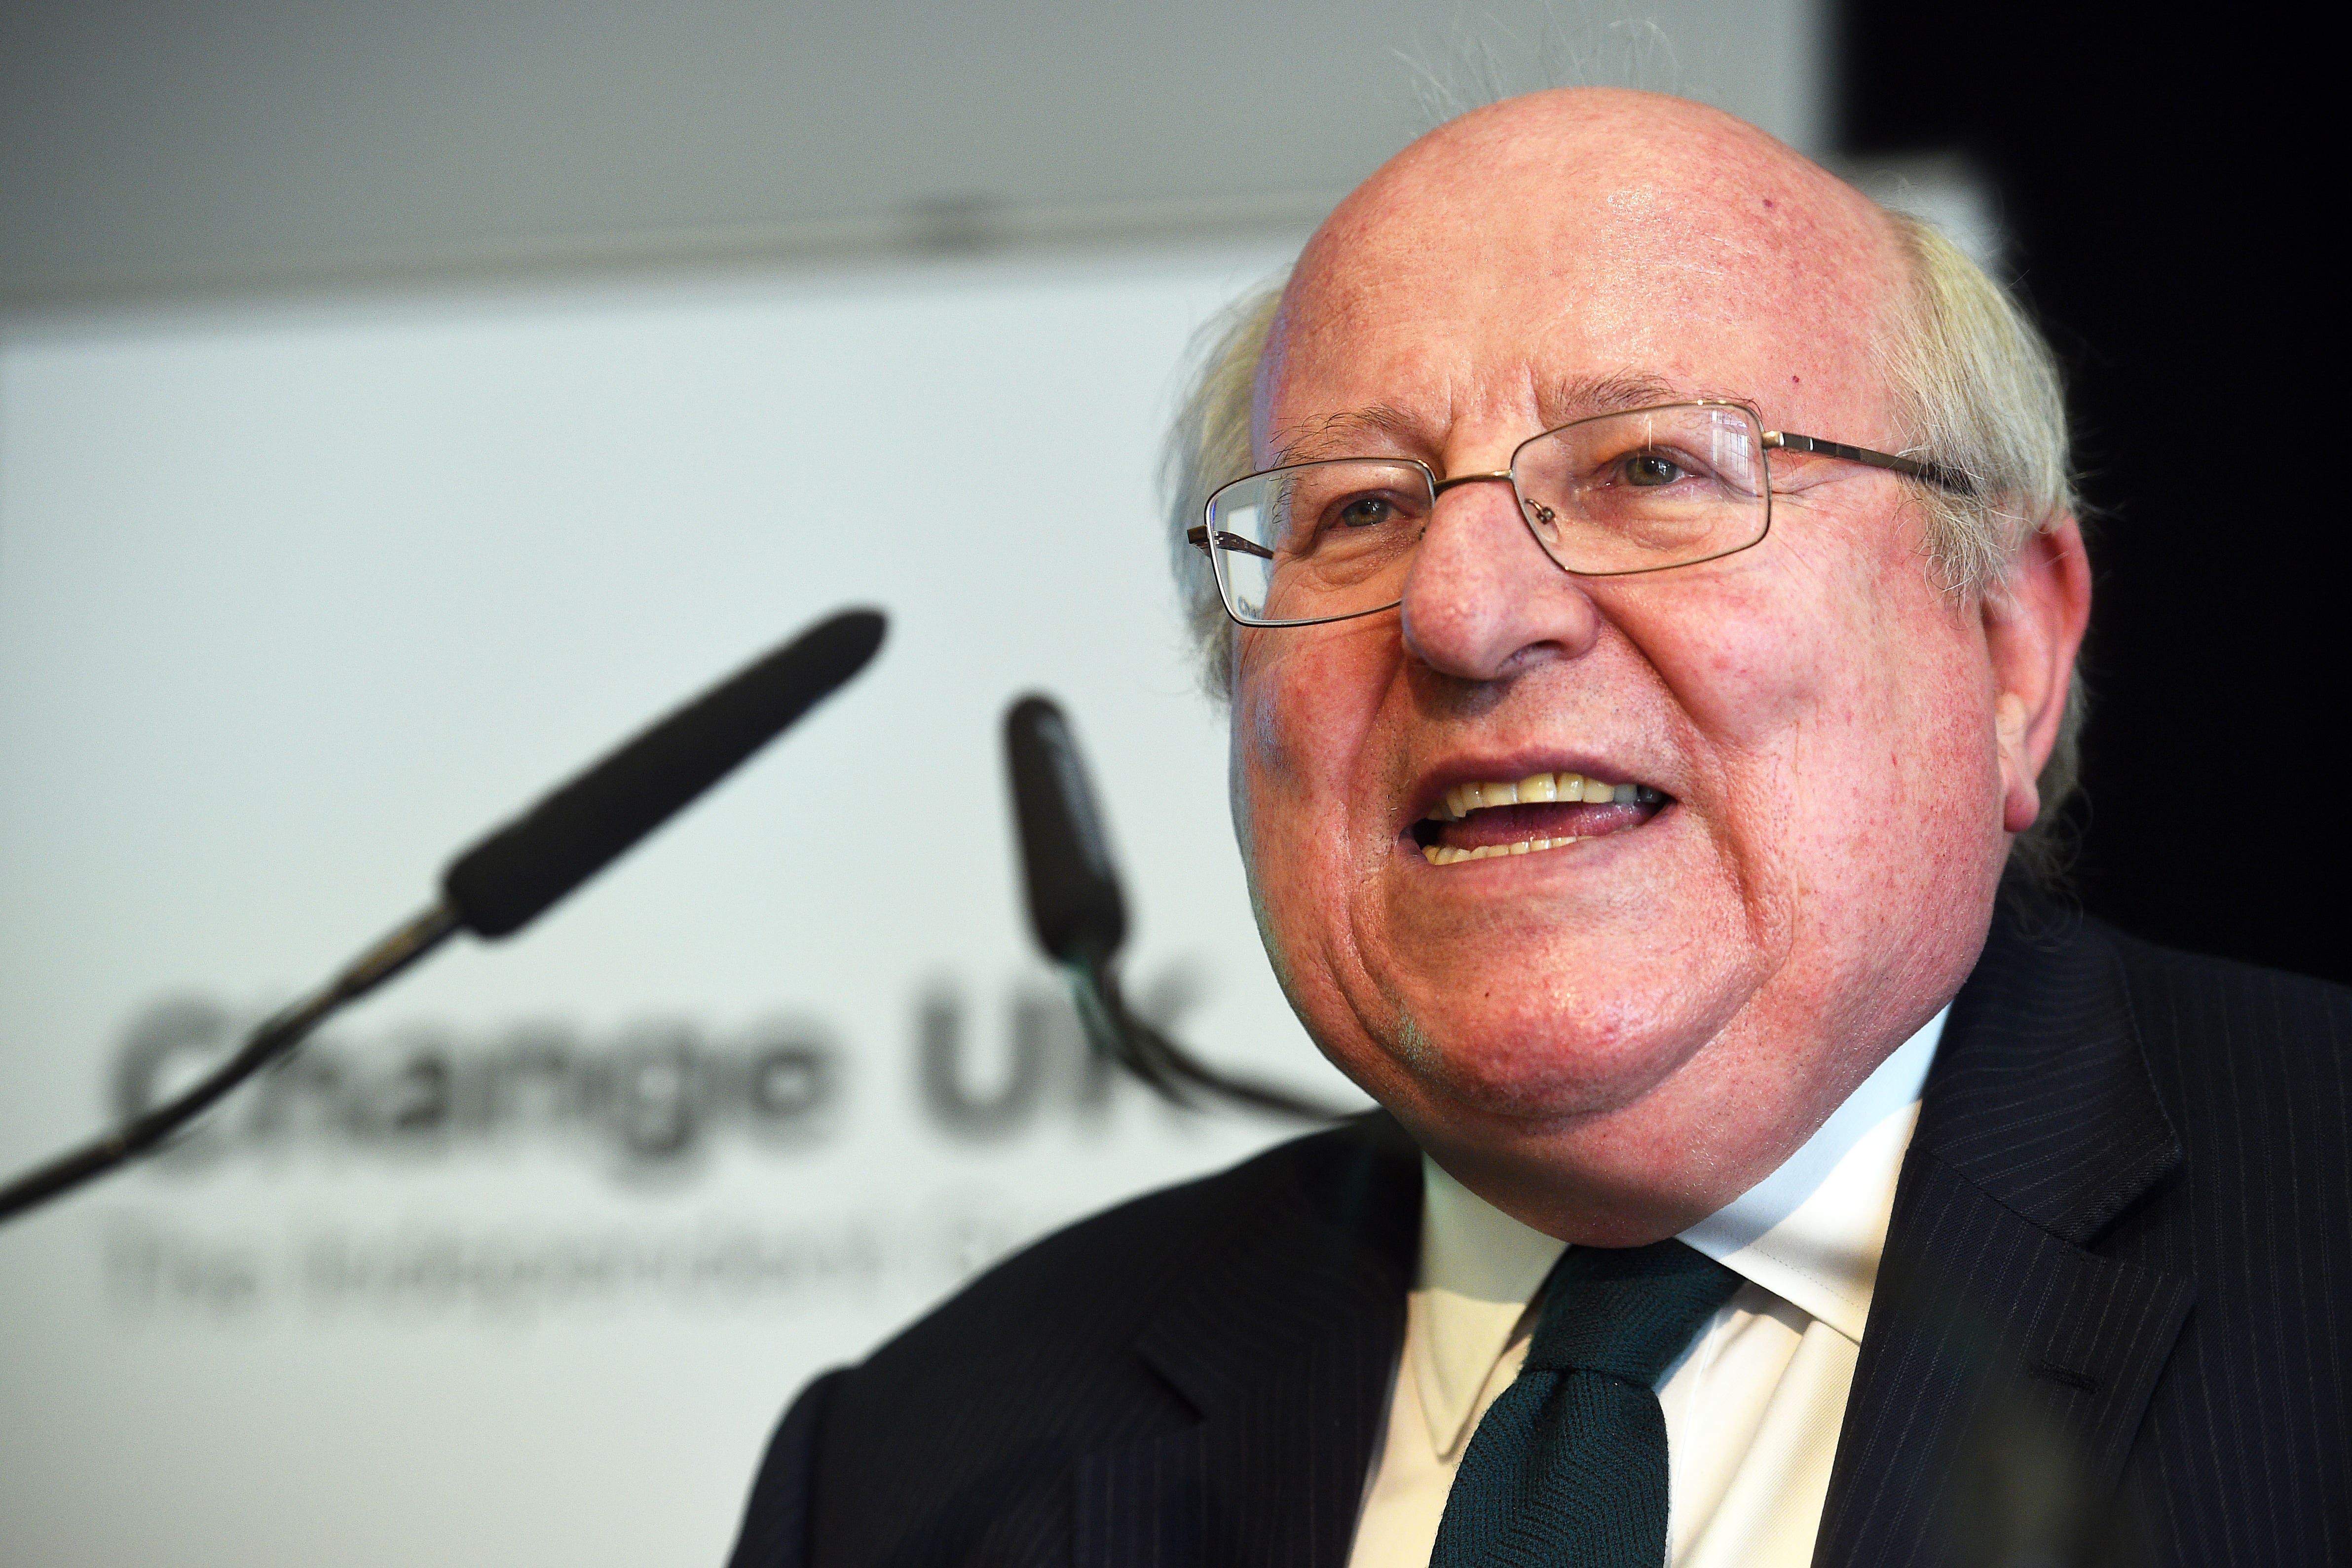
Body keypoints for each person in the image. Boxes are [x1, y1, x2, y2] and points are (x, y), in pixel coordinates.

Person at [727, 89, 2348, 1568]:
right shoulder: (918, 1466)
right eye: (1359, 508)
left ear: (2007, 646)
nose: (1463, 608)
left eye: (1653, 465)